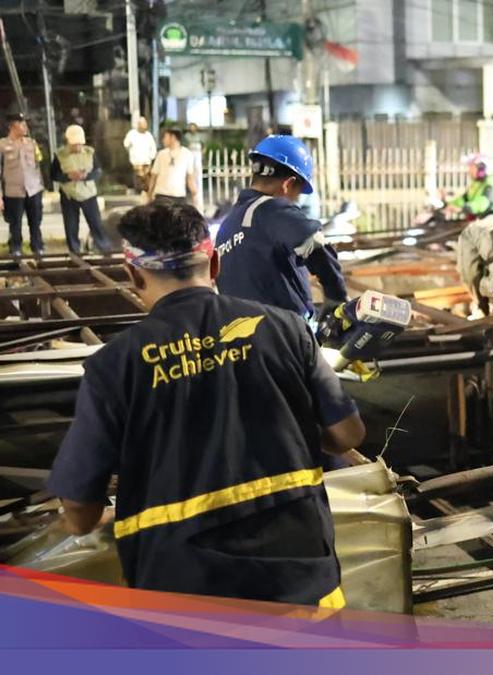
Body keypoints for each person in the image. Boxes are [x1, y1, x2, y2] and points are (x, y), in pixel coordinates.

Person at [46, 202, 365, 606]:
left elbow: (78, 506)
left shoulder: (115, 365)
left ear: (131, 275)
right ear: (214, 265)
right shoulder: (287, 329)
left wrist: (90, 520)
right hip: (303, 590)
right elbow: (347, 434)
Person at [214, 135, 348, 321]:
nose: (296, 200)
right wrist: (336, 298)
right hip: (285, 336)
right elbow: (316, 244)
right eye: (298, 192)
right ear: (288, 184)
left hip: (241, 340)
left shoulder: (229, 225)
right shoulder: (271, 209)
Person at [51, 125, 112, 253]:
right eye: (74, 144)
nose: (78, 147)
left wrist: (86, 176)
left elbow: (98, 171)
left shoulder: (90, 152)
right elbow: (53, 175)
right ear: (68, 142)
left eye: (80, 144)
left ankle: (104, 248)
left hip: (88, 194)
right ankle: (74, 250)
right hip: (69, 195)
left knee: (96, 223)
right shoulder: (60, 155)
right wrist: (68, 176)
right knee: (71, 225)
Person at [0, 113, 45, 256]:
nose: (25, 127)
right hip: (13, 191)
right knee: (15, 223)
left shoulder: (31, 143)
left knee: (35, 221)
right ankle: (15, 249)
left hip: (33, 189)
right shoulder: (2, 145)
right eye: (22, 124)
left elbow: (38, 166)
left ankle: (38, 247)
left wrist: (41, 187)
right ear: (12, 126)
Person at [148, 128, 200, 209]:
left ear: (173, 138)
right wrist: (149, 194)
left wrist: (194, 195)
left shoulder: (187, 154)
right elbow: (154, 176)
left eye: (165, 137)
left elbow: (190, 177)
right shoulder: (161, 154)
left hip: (178, 196)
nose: (163, 140)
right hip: (161, 195)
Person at [446, 154, 493, 220]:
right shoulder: (475, 184)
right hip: (478, 221)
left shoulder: (489, 185)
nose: (469, 171)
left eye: (472, 168)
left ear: (481, 170)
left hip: (490, 222)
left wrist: (462, 208)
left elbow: (481, 204)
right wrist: (450, 204)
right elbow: (464, 199)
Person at [123, 116, 157, 195]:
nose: (144, 125)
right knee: (139, 178)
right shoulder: (132, 134)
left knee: (147, 179)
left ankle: (147, 193)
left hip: (147, 161)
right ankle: (139, 192)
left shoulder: (148, 135)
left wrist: (152, 157)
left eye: (145, 124)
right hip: (137, 161)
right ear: (139, 124)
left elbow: (153, 147)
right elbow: (126, 144)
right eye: (142, 124)